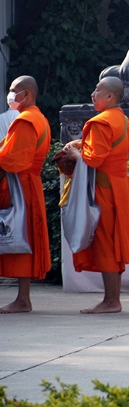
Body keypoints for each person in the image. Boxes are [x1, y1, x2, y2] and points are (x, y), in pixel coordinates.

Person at [62, 76, 129, 314]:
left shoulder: (100, 122)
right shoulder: (125, 121)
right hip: (120, 189)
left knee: (105, 243)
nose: (93, 94)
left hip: (104, 191)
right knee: (114, 243)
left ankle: (111, 301)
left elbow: (94, 159)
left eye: (97, 90)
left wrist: (75, 155)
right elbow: (109, 151)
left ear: (110, 97)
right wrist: (84, 144)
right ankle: (112, 299)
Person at [0, 76, 51, 314]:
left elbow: (12, 159)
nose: (10, 95)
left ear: (27, 94)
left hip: (19, 186)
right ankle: (22, 298)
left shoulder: (26, 121)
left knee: (18, 237)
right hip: (27, 185)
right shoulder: (38, 118)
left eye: (14, 91)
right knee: (22, 237)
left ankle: (22, 299)